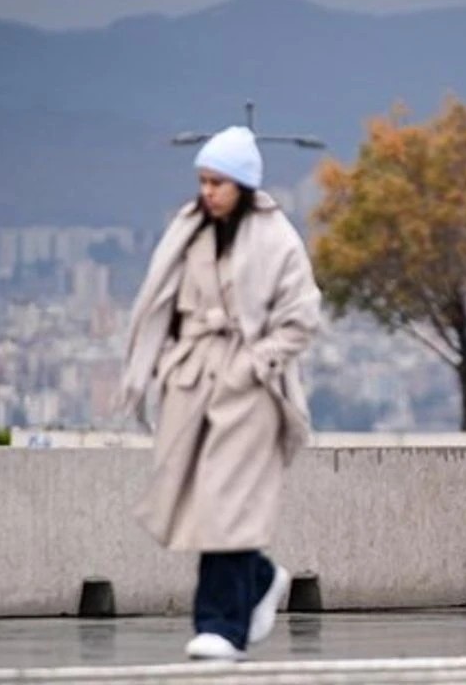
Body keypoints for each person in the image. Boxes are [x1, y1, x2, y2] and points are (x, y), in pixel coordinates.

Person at [119, 125, 322, 659]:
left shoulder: (277, 238)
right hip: (191, 383)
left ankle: (221, 626)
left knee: (225, 506)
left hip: (249, 391)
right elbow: (159, 301)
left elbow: (302, 316)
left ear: (244, 185)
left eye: (219, 182)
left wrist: (255, 364)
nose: (208, 191)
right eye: (203, 181)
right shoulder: (187, 230)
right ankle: (260, 577)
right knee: (201, 502)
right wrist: (164, 362)